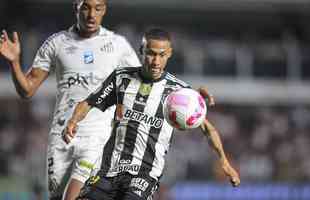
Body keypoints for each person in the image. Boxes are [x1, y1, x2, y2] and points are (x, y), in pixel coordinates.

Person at [63, 28, 240, 200]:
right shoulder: (121, 78)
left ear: (169, 54)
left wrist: (224, 161)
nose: (156, 61)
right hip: (107, 170)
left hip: (143, 176)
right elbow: (88, 102)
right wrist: (73, 121)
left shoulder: (179, 93)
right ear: (142, 51)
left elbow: (208, 129)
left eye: (161, 55)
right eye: (151, 54)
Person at [0, 0, 141, 199]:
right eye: (86, 7)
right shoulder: (56, 43)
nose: (92, 14)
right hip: (62, 135)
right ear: (76, 7)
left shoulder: (117, 45)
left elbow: (138, 83)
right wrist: (14, 62)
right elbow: (27, 90)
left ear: (104, 10)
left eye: (98, 8)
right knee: (57, 196)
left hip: (98, 136)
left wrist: (121, 108)